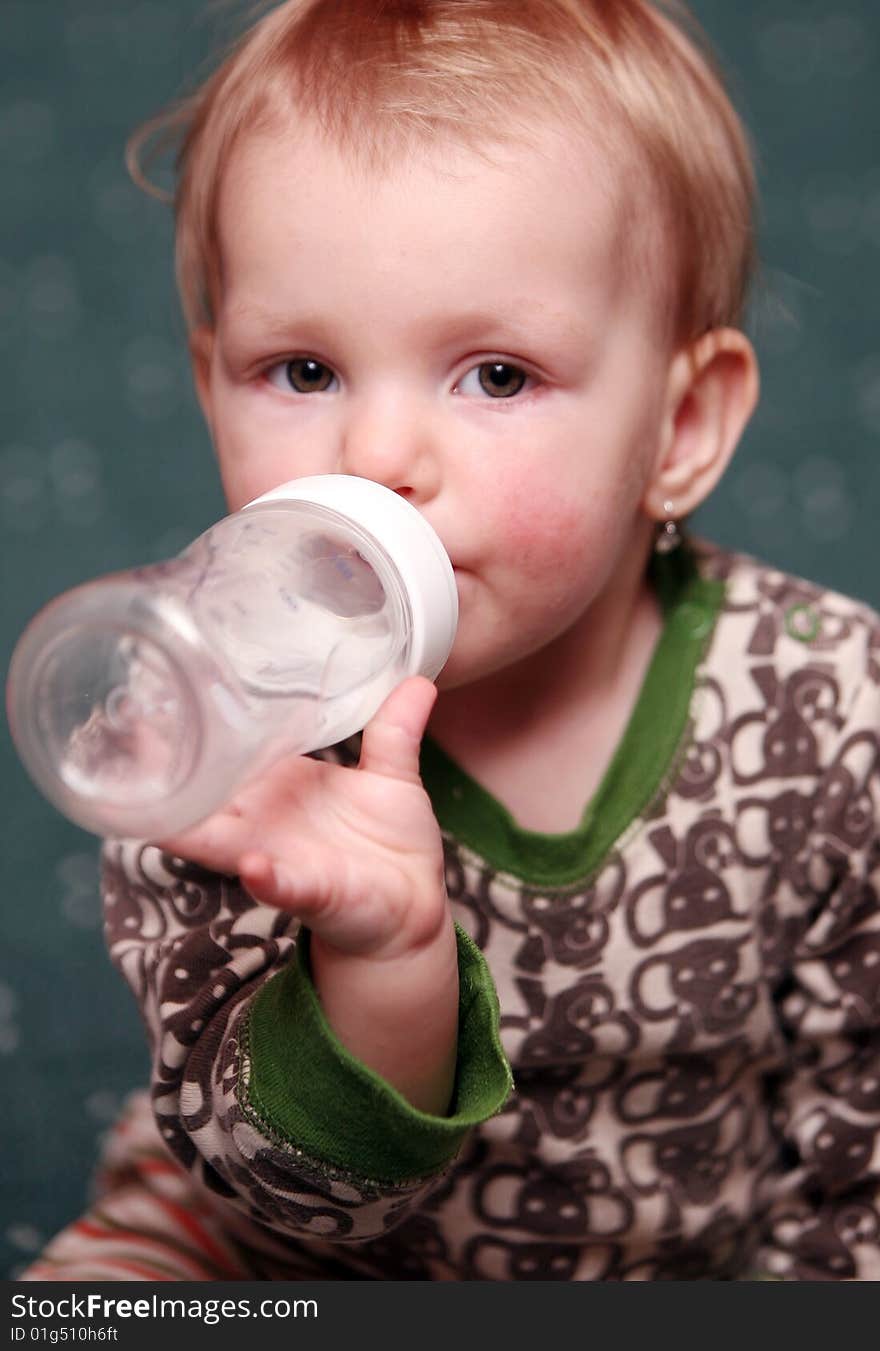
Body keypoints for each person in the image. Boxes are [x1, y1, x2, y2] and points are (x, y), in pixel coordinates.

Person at [22, 0, 880, 1281]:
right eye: (302, 371)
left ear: (681, 425)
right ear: (207, 384)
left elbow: (855, 1146)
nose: (372, 458)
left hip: (682, 1249)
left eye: (495, 375)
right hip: (271, 1248)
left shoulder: (828, 715)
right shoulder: (208, 724)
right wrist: (379, 961)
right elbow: (283, 1188)